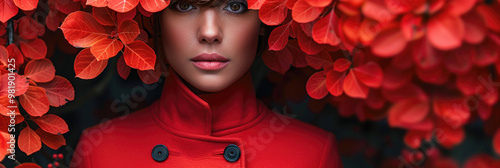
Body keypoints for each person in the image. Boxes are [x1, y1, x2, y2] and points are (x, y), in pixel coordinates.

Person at [70, 0, 342, 167]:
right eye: (184, 5)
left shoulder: (312, 154)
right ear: (155, 19)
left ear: (263, 20)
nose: (209, 32)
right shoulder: (101, 151)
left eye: (235, 6)